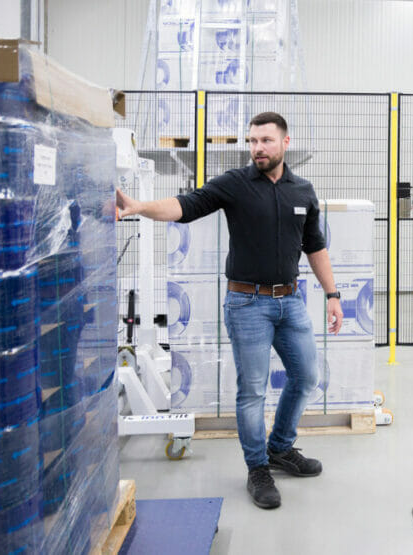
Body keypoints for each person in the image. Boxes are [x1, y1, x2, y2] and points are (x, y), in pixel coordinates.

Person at [115, 112, 342, 510]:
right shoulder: (235, 184)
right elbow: (184, 206)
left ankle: (280, 448)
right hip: (247, 303)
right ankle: (258, 468)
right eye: (252, 141)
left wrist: (333, 294)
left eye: (266, 140)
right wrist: (138, 206)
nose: (257, 148)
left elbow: (315, 247)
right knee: (252, 390)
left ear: (285, 143)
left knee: (307, 375)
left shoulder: (303, 191)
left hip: (290, 302)